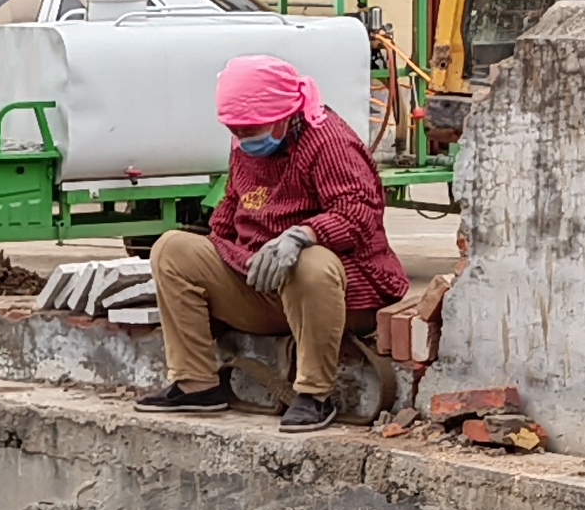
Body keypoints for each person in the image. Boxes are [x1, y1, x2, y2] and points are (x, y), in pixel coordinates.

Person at [136, 54, 410, 434]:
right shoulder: (247, 144)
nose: (243, 137)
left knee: (310, 263)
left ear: (285, 115)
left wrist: (302, 235)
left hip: (341, 295)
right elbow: (231, 208)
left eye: (250, 129)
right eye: (235, 129)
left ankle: (314, 395)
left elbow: (359, 211)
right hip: (266, 287)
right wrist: (220, 254)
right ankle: (196, 384)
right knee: (172, 249)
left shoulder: (329, 142)